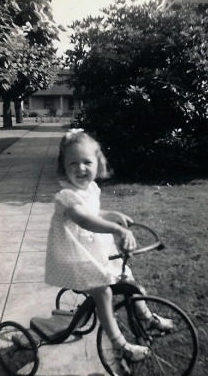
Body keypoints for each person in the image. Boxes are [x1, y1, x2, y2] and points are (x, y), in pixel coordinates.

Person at [45, 129, 172, 361]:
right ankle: (119, 344)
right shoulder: (66, 196)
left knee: (126, 278)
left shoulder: (90, 189)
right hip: (75, 257)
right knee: (103, 293)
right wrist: (116, 229)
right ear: (64, 166)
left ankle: (146, 317)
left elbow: (94, 212)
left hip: (93, 251)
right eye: (73, 163)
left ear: (98, 164)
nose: (81, 168)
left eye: (87, 162)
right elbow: (84, 219)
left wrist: (112, 214)